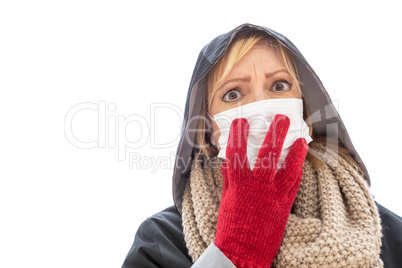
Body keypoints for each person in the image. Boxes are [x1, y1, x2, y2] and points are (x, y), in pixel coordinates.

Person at [121, 23, 402, 267]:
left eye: (279, 86)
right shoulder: (161, 241)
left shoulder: (386, 233)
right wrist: (233, 254)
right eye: (232, 93)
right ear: (207, 129)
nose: (260, 105)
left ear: (305, 108)